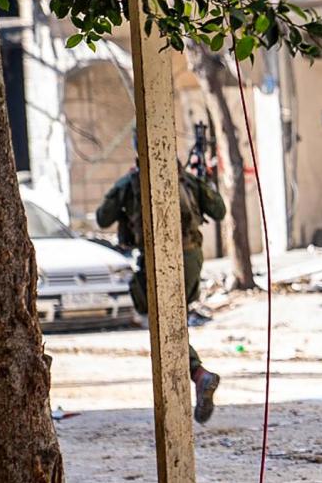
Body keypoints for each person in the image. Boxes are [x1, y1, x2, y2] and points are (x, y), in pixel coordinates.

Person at [96, 156, 226, 423]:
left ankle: (198, 375)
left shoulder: (131, 182)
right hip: (191, 258)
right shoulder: (188, 181)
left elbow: (102, 218)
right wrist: (203, 182)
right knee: (172, 323)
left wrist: (124, 188)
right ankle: (195, 377)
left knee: (166, 326)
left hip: (158, 260)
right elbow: (219, 211)